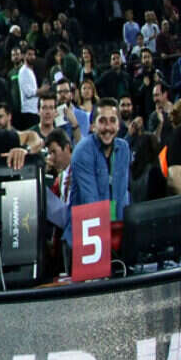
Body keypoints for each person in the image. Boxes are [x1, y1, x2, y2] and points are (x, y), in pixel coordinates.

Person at [65, 99, 131, 249]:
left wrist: (124, 236)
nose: (108, 127)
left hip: (113, 231)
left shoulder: (124, 148)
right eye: (102, 121)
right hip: (83, 236)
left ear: (119, 125)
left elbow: (122, 196)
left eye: (112, 121)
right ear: (93, 125)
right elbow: (92, 203)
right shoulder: (82, 151)